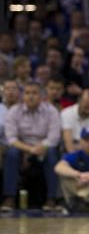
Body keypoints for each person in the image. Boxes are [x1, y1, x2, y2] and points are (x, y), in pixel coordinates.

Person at [1, 82, 61, 211]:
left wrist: (39, 148)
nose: (31, 97)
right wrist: (29, 149)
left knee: (51, 153)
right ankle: (9, 198)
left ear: (41, 96)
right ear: (23, 96)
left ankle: (51, 199)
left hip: (43, 148)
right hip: (22, 148)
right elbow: (11, 138)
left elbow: (54, 138)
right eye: (27, 93)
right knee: (12, 153)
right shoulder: (14, 111)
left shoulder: (51, 111)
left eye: (34, 93)